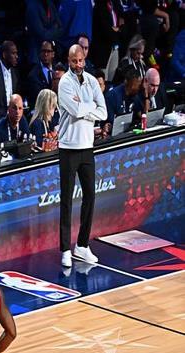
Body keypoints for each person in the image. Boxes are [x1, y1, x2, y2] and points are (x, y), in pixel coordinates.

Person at [57, 44, 107, 268]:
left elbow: (103, 112)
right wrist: (90, 108)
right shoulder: (65, 83)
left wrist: (84, 108)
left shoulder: (92, 81)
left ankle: (82, 245)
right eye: (74, 61)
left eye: (80, 60)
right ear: (69, 61)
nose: (78, 65)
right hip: (68, 147)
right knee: (67, 200)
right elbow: (75, 111)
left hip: (87, 147)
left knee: (90, 196)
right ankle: (65, 249)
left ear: (84, 59)